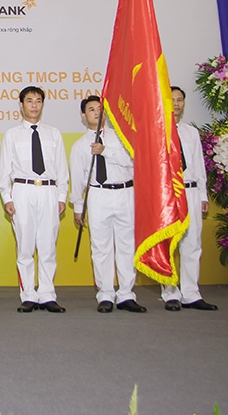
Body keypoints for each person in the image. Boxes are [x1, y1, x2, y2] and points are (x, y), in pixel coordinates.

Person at [70, 95, 146, 313]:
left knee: (126, 246)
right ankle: (105, 294)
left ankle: (126, 294)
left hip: (125, 192)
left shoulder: (122, 138)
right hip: (98, 195)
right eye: (91, 109)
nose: (96, 112)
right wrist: (78, 207)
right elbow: (78, 179)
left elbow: (133, 163)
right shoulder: (80, 145)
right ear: (83, 116)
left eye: (100, 109)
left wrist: (105, 151)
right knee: (101, 247)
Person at [0, 86, 69, 313]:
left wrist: (61, 196)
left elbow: (62, 169)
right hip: (22, 191)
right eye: (29, 101)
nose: (34, 105)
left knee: (47, 247)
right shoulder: (12, 134)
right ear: (21, 105)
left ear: (42, 104)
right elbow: (4, 171)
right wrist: (7, 198)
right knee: (25, 247)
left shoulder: (53, 133)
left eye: (38, 101)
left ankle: (47, 294)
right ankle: (28, 294)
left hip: (48, 191)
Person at [162, 86, 218, 311]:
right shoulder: (156, 132)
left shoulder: (191, 132)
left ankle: (191, 293)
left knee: (192, 244)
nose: (176, 104)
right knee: (169, 245)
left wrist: (203, 194)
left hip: (191, 191)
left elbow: (199, 165)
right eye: (172, 99)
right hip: (168, 194)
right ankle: (170, 293)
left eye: (180, 100)